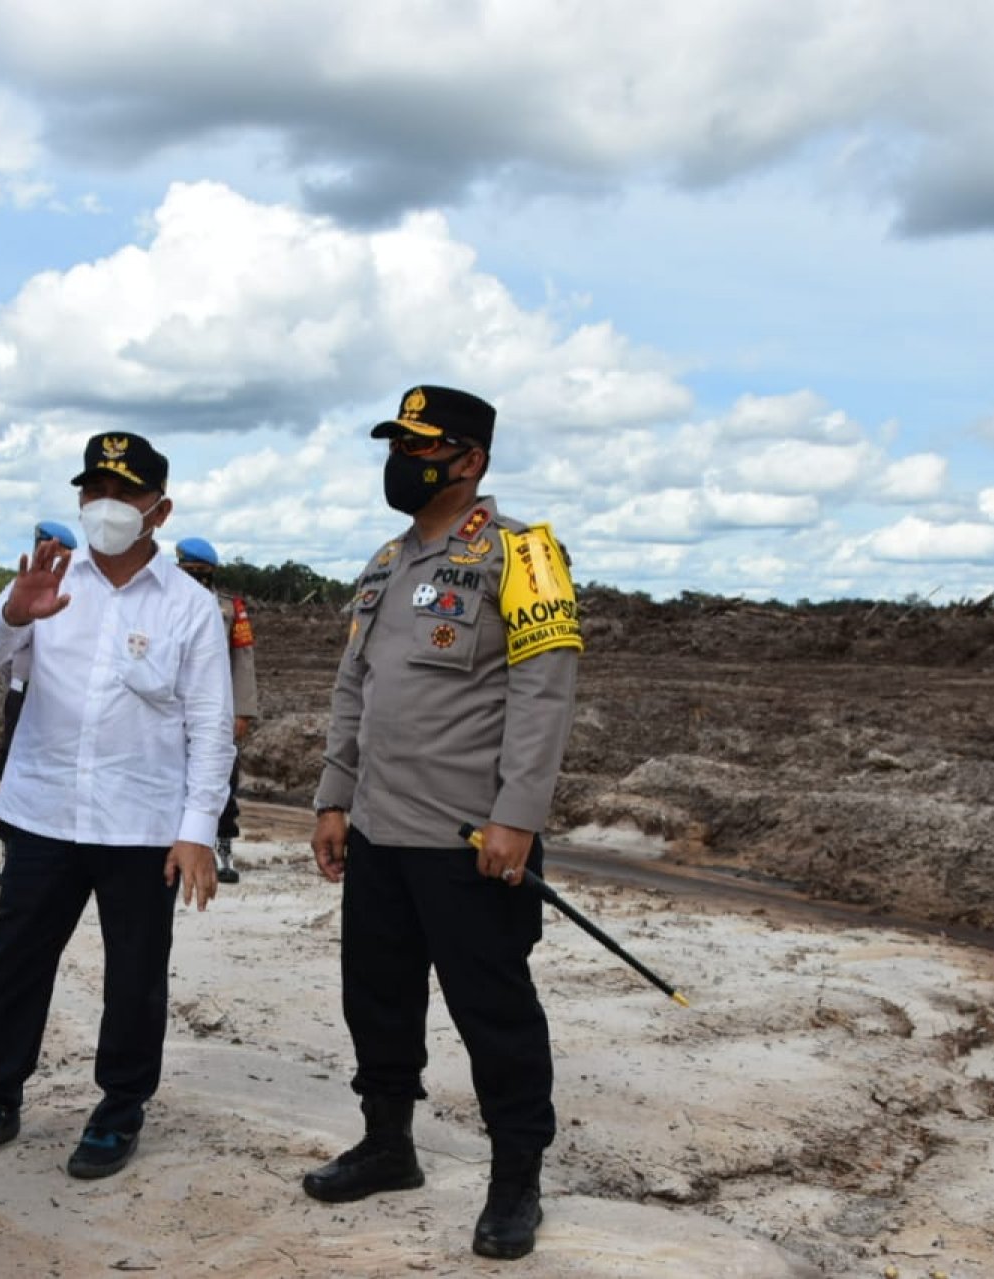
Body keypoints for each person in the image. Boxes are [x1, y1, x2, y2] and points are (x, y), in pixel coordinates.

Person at [304, 385, 581, 1261]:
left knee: (493, 1011)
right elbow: (357, 689)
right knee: (376, 1000)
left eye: (421, 446)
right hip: (381, 833)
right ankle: (389, 1144)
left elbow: (545, 695)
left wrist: (517, 818)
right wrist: (333, 796)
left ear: (471, 461)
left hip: (470, 841)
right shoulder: (386, 562)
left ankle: (515, 1180)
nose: (402, 460)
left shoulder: (523, 555)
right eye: (397, 443)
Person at [0, 431, 231, 1180]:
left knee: (135, 974)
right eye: (93, 490)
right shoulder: (48, 583)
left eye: (124, 493)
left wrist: (198, 832)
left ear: (158, 509)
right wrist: (13, 612)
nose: (105, 506)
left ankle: (119, 1107)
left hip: (141, 826)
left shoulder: (192, 608)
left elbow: (211, 727)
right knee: (15, 964)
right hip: (43, 814)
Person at [0, 521, 77, 888]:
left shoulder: (69, 594)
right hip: (19, 692)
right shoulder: (17, 590)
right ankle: (11, 855)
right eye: (40, 546)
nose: (44, 554)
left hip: (50, 695)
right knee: (14, 769)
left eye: (52, 550)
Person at [172, 537, 258, 883]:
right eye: (187, 570)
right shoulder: (162, 601)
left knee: (223, 776)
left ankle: (223, 847)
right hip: (170, 709)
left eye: (199, 572)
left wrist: (242, 710)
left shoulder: (230, 608)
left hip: (214, 707)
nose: (193, 577)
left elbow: (243, 659)